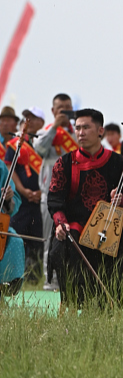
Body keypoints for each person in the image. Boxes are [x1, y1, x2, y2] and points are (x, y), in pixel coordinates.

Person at [48, 109, 123, 308]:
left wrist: (121, 200)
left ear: (100, 131)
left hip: (107, 226)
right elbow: (55, 200)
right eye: (78, 128)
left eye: (86, 127)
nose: (81, 132)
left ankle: (116, 301)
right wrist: (60, 224)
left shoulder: (119, 162)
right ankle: (74, 302)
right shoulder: (64, 163)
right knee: (62, 247)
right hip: (73, 225)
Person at [35, 94, 77, 291]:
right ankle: (50, 280)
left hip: (74, 196)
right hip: (50, 195)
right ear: (53, 111)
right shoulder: (46, 132)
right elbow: (39, 149)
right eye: (60, 108)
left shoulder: (77, 133)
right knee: (49, 238)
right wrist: (54, 127)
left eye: (67, 108)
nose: (64, 111)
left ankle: (71, 279)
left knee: (72, 238)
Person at [6, 107, 45, 283]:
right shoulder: (16, 143)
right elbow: (10, 168)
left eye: (33, 118)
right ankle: (14, 274)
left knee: (38, 238)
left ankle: (35, 276)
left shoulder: (48, 141)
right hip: (22, 199)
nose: (28, 121)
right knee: (18, 235)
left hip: (42, 199)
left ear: (41, 122)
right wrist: (22, 190)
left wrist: (42, 192)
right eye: (26, 118)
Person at [0, 156, 26, 298]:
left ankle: (5, 286)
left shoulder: (0, 167)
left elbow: (11, 206)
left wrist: (8, 198)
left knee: (15, 240)